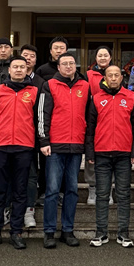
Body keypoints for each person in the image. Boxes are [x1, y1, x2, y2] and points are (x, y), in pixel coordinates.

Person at [0, 56, 39, 250]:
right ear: (9, 70)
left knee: (20, 192)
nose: (19, 70)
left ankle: (16, 232)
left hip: (24, 146)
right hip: (1, 146)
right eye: (15, 67)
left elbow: (37, 119)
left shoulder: (34, 91)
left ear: (27, 70)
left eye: (22, 67)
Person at [85, 64, 134, 248]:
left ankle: (123, 233)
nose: (114, 78)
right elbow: (90, 128)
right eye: (110, 75)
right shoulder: (96, 98)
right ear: (105, 78)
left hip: (124, 154)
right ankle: (101, 233)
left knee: (123, 194)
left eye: (117, 75)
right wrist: (90, 152)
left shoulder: (130, 97)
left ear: (121, 77)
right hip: (101, 153)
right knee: (102, 194)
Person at [37, 53, 89, 248]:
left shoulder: (84, 86)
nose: (68, 66)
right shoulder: (49, 85)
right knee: (52, 190)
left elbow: (89, 115)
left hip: (76, 146)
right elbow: (42, 113)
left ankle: (68, 230)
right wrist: (44, 140)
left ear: (76, 66)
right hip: (54, 146)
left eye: (71, 63)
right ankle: (49, 231)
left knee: (72, 190)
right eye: (64, 64)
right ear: (58, 67)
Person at [84, 45, 113, 205]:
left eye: (105, 55)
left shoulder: (115, 73)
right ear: (95, 58)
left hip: (112, 118)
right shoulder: (89, 75)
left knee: (112, 155)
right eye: (99, 55)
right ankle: (92, 189)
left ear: (110, 58)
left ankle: (108, 190)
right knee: (92, 154)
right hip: (93, 118)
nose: (102, 58)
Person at [20, 43, 42, 228]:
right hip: (10, 138)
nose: (28, 58)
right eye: (25, 55)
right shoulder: (5, 84)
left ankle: (29, 210)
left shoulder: (41, 83)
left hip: (32, 135)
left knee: (31, 175)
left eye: (31, 56)